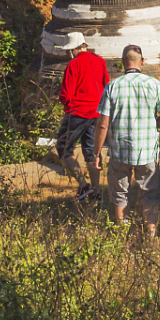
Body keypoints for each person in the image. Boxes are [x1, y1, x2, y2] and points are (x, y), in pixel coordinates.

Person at [93, 45, 160, 234]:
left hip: (120, 151)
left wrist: (97, 153)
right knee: (150, 194)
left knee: (120, 196)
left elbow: (102, 124)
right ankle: (151, 237)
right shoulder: (154, 85)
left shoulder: (112, 86)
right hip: (147, 151)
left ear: (122, 63)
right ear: (142, 62)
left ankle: (124, 238)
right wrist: (155, 125)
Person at [55, 38, 109, 202]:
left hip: (78, 113)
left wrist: (65, 104)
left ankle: (83, 185)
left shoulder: (73, 65)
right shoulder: (99, 60)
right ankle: (96, 191)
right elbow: (106, 84)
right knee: (91, 152)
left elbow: (66, 94)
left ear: (73, 49)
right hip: (96, 113)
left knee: (63, 148)